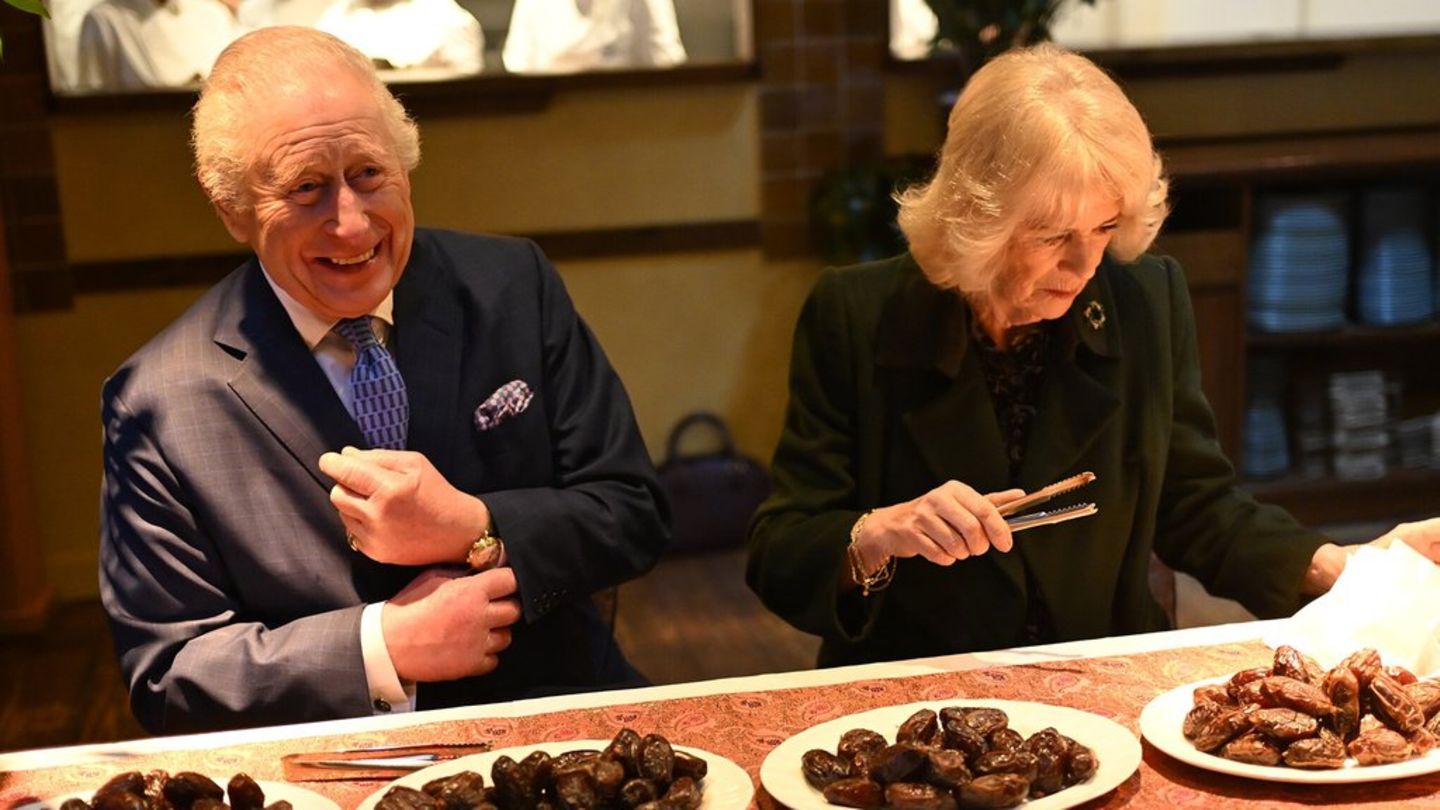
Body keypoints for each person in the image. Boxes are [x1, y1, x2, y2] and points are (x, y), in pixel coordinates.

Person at [746, 43, 1440, 668]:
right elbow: (782, 549)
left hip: (1099, 678)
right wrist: (876, 535)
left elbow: (1195, 504)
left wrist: (1352, 571)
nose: (1084, 264)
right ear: (977, 217)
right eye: (1051, 234)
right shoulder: (856, 315)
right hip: (920, 696)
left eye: (1105, 225)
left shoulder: (1143, 295)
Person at [99, 26, 668, 733]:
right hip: (333, 757)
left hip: (559, 718)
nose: (350, 222)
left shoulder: (511, 285)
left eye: (369, 174)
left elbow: (633, 510)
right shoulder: (158, 400)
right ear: (232, 210)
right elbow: (169, 674)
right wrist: (382, 646)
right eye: (306, 189)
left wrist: (473, 527)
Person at [502, 0, 686, 75]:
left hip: (626, 122)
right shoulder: (532, 3)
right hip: (549, 123)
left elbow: (667, 67)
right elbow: (518, 66)